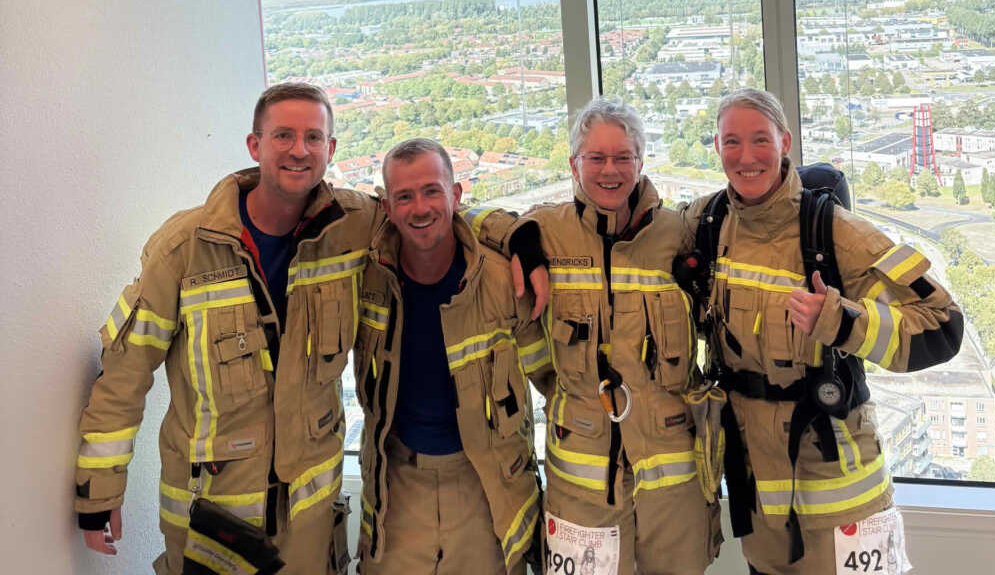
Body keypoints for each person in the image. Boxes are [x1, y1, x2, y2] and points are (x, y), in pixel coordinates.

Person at [73, 83, 538, 574]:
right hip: (211, 518)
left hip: (308, 526)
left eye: (314, 137)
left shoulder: (351, 227)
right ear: (255, 146)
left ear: (330, 150)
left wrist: (517, 233)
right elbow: (125, 374)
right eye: (284, 136)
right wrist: (98, 488)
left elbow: (432, 215)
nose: (300, 150)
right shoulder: (185, 249)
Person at [678, 88, 964, 575]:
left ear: (785, 141)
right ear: (717, 148)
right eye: (731, 142)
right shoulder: (706, 223)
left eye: (760, 140)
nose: (746, 158)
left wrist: (842, 321)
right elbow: (628, 235)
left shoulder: (838, 232)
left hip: (843, 493)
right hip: (762, 497)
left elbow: (942, 325)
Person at [508, 98, 722, 574]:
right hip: (579, 480)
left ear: (642, 162)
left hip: (673, 475)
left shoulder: (677, 234)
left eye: (623, 157)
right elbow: (471, 220)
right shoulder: (547, 231)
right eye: (596, 158)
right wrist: (517, 236)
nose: (610, 170)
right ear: (573, 164)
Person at [353, 138, 552, 574]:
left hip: (485, 488)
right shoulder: (366, 279)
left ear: (457, 196)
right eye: (403, 196)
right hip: (398, 485)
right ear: (386, 207)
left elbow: (553, 383)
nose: (419, 208)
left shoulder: (503, 283)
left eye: (431, 191)